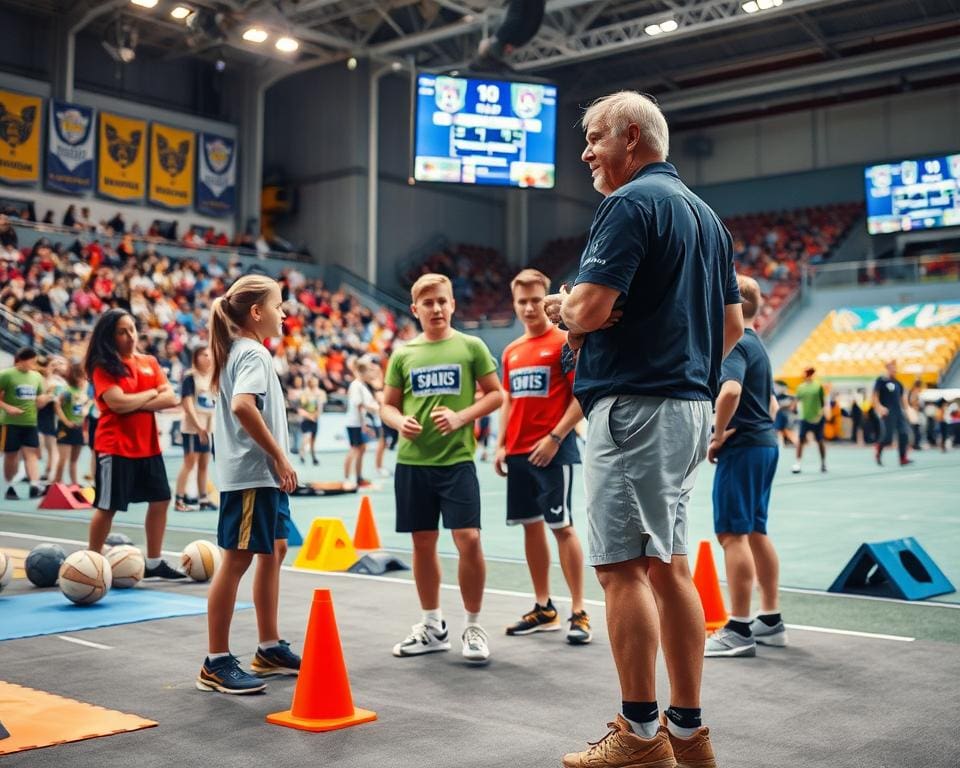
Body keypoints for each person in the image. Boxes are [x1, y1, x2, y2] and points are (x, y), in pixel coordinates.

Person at [544, 91, 742, 768]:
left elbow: (590, 308)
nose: (586, 151)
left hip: (633, 407)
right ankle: (687, 735)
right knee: (670, 568)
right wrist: (681, 364)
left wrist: (570, 309)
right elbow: (734, 328)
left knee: (620, 569)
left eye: (595, 137)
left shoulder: (629, 204)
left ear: (631, 136)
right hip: (686, 405)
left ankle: (636, 734)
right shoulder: (707, 218)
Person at [381, 273, 503, 665]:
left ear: (453, 304)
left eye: (442, 301)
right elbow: (387, 405)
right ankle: (432, 625)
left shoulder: (471, 346)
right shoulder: (403, 354)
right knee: (422, 542)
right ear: (415, 309)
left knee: (468, 538)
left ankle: (473, 625)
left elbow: (497, 394)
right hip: (413, 462)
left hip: (457, 461)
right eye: (428, 302)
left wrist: (462, 416)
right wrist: (399, 422)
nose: (436, 308)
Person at [198, 275, 301, 695]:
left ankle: (269, 647)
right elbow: (243, 406)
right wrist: (278, 455)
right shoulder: (253, 353)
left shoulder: (242, 351)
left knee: (274, 550)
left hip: (261, 478)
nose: (284, 313)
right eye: (279, 306)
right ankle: (215, 661)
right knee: (237, 560)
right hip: (253, 477)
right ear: (257, 313)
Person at [494, 268, 591, 645]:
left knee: (562, 528)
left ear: (546, 298)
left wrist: (555, 437)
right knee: (530, 527)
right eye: (523, 301)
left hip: (554, 451)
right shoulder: (512, 351)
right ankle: (543, 607)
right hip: (518, 453)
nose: (530, 307)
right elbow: (508, 400)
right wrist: (501, 443)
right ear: (515, 304)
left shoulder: (564, 342)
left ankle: (579, 610)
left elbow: (582, 395)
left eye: (536, 299)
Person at [704, 276, 787, 658]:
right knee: (755, 529)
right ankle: (770, 619)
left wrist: (718, 434)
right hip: (766, 443)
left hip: (743, 449)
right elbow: (772, 405)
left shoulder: (734, 344)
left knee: (732, 535)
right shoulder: (760, 345)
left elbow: (731, 391)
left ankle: (738, 627)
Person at [84, 309, 183, 578]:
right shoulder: (103, 366)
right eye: (122, 331)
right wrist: (151, 393)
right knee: (107, 507)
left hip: (148, 446)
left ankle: (153, 562)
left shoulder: (149, 361)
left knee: (162, 499)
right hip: (114, 447)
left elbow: (171, 399)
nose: (130, 336)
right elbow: (116, 403)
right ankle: (91, 565)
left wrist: (134, 401)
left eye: (132, 329)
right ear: (109, 336)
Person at [0, 347, 46, 500]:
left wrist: (42, 400)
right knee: (11, 456)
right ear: (21, 360)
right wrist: (9, 408)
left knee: (31, 454)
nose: (34, 363)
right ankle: (9, 486)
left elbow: (40, 399)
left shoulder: (37, 377)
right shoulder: (6, 375)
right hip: (10, 423)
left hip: (30, 423)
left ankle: (34, 485)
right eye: (31, 360)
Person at [175, 346, 216, 512]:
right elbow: (187, 403)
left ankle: (203, 498)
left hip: (208, 426)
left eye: (209, 355)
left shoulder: (213, 377)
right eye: (204, 355)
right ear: (196, 357)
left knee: (204, 463)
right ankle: (179, 499)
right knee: (190, 462)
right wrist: (198, 426)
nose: (208, 358)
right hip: (193, 427)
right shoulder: (190, 377)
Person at [343, 360, 379, 488]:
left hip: (360, 422)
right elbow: (358, 405)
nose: (371, 373)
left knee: (362, 449)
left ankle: (359, 478)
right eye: (369, 371)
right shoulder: (356, 385)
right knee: (354, 449)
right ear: (363, 372)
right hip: (355, 423)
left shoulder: (363, 385)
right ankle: (347, 478)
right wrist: (364, 424)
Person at [52, 362, 89, 487]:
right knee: (63, 459)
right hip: (65, 428)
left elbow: (78, 410)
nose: (85, 379)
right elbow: (56, 405)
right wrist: (66, 421)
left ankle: (74, 484)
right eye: (82, 376)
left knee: (74, 460)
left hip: (77, 428)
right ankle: (56, 484)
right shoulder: (67, 390)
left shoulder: (81, 392)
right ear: (76, 376)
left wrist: (82, 424)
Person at [873, 359, 911, 467]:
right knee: (888, 438)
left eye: (895, 368)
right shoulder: (881, 380)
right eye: (892, 368)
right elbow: (875, 396)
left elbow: (903, 399)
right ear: (887, 368)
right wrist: (879, 407)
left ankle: (903, 458)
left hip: (899, 412)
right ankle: (878, 450)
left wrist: (908, 410)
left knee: (904, 434)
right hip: (887, 412)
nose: (894, 370)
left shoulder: (899, 383)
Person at [791, 367, 827, 474]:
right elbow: (797, 400)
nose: (803, 375)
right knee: (800, 440)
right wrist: (793, 407)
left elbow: (823, 402)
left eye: (805, 373)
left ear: (809, 374)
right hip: (804, 418)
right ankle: (797, 464)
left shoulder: (818, 386)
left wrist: (821, 413)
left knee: (820, 441)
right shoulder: (800, 387)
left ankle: (823, 463)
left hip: (817, 418)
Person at [37, 356, 67, 482]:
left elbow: (65, 401)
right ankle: (33, 470)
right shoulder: (43, 378)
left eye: (60, 363)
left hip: (53, 415)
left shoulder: (65, 382)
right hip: (40, 413)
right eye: (54, 364)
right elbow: (40, 397)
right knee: (38, 444)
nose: (57, 366)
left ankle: (49, 472)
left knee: (52, 446)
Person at [298, 376, 326, 466]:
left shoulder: (321, 393)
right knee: (306, 437)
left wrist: (315, 415)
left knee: (313, 440)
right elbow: (302, 408)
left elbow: (320, 408)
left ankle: (314, 457)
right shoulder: (304, 393)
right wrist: (309, 416)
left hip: (315, 419)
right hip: (306, 419)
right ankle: (302, 454)